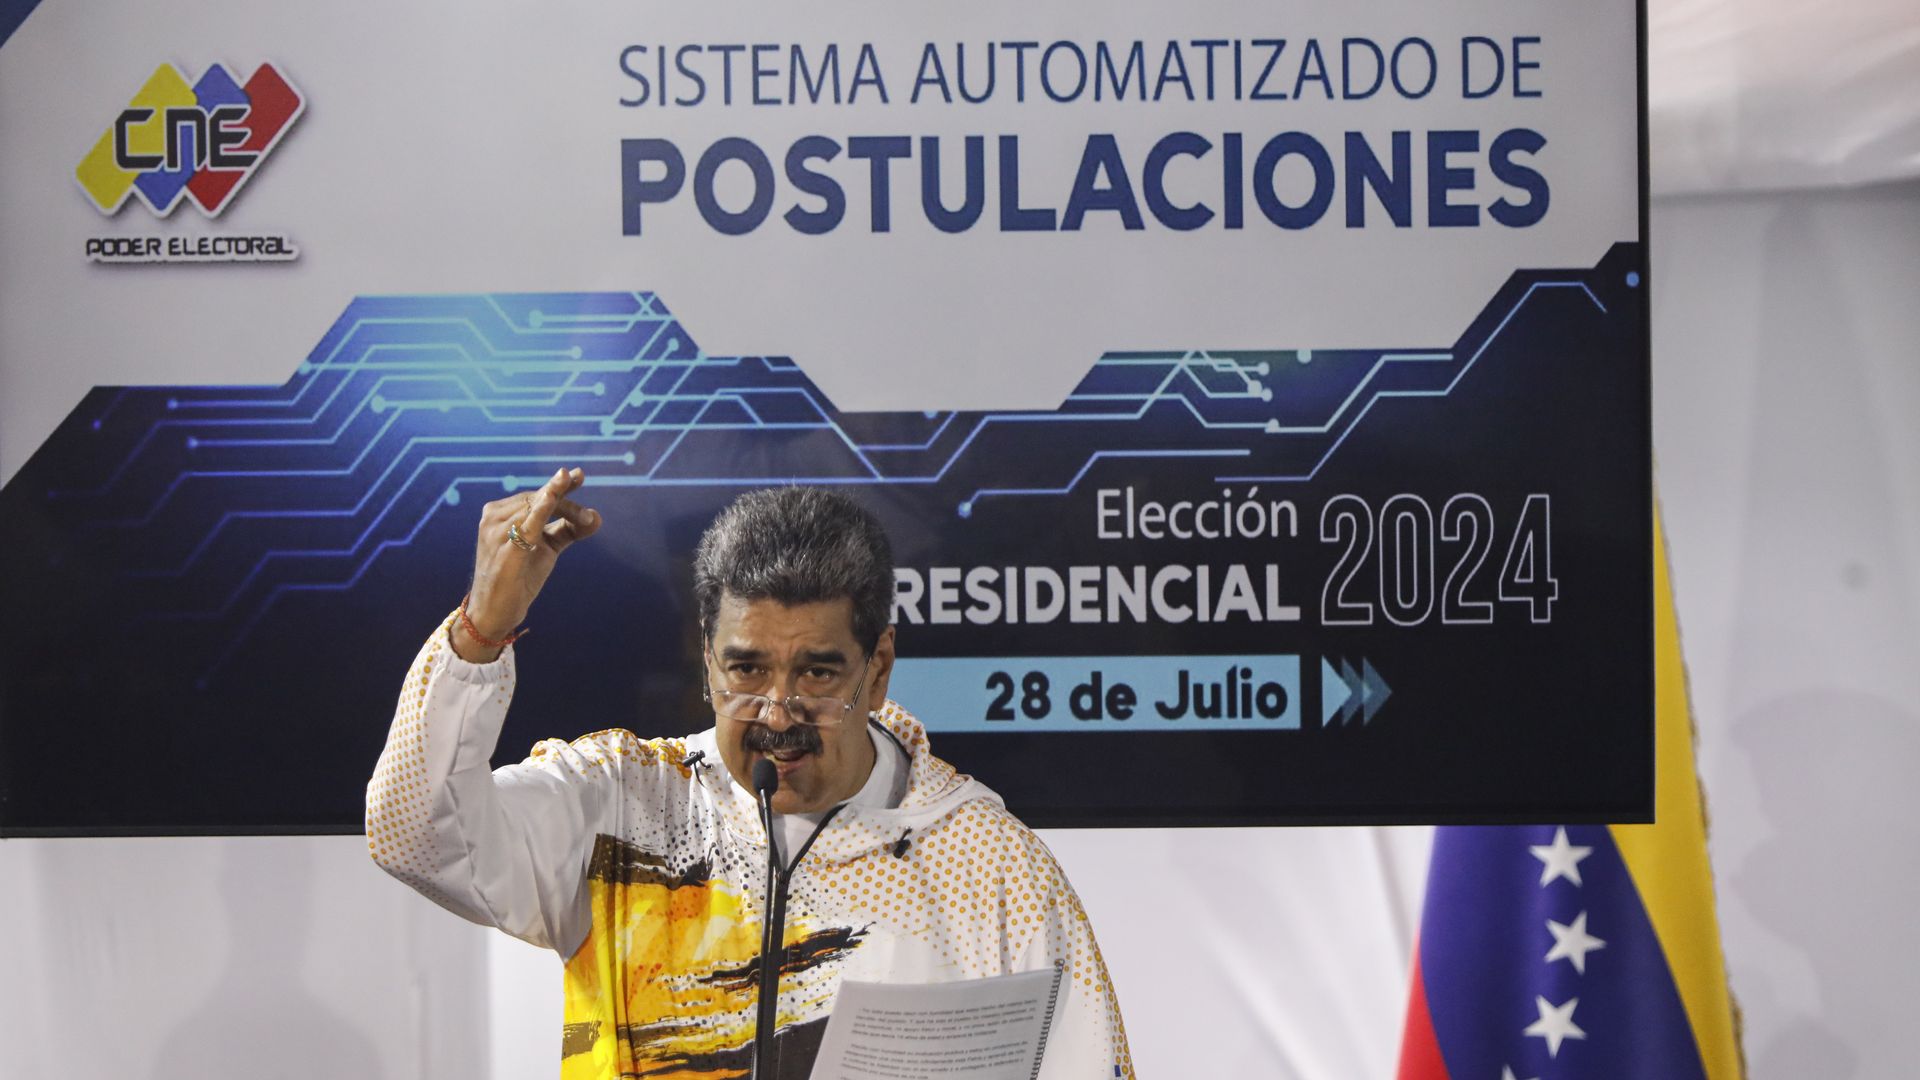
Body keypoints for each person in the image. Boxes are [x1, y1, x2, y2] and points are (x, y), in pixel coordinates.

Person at [367, 469, 1133, 1080]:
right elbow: (415, 837)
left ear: (879, 671)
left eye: (818, 672)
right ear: (705, 660)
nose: (778, 711)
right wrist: (480, 632)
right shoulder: (624, 805)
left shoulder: (989, 864)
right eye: (747, 669)